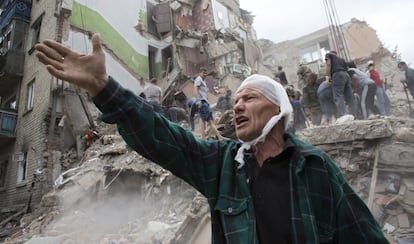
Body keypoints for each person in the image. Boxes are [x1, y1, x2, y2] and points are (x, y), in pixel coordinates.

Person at [35, 34, 388, 243]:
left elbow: (363, 235)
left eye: (248, 99)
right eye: (235, 101)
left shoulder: (316, 168)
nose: (237, 107)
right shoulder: (222, 164)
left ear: (279, 110)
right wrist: (104, 88)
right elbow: (160, 136)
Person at [194, 68, 224, 140]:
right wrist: (198, 101)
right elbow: (195, 89)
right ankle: (205, 138)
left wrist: (217, 92)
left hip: (205, 103)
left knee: (208, 121)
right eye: (203, 73)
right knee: (205, 121)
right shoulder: (199, 79)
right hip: (202, 102)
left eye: (206, 73)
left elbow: (205, 91)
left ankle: (216, 137)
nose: (205, 75)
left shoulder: (203, 81)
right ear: (199, 73)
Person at [325, 53, 356, 117]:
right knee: (349, 97)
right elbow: (346, 68)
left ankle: (344, 114)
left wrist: (328, 76)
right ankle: (354, 114)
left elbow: (328, 64)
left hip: (337, 74)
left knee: (338, 96)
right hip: (346, 75)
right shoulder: (341, 59)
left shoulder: (329, 55)